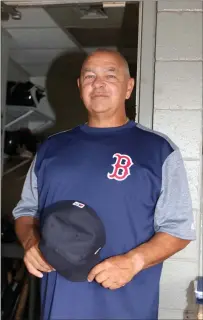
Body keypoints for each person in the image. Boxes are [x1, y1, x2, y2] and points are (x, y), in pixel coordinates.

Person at [13, 49, 196, 320]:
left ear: (128, 87)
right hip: (59, 305)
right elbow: (26, 212)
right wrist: (31, 242)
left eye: (110, 75)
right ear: (80, 86)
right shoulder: (51, 148)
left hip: (126, 306)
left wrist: (134, 262)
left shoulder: (158, 150)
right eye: (89, 76)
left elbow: (178, 230)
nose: (98, 84)